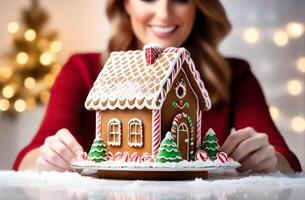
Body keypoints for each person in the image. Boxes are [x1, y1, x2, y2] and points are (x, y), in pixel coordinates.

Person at [14, 0, 301, 173]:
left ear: (198, 6)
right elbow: (27, 160)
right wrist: (47, 157)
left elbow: (287, 161)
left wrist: (267, 158)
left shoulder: (234, 75)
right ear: (126, 3)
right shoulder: (82, 70)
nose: (164, 14)